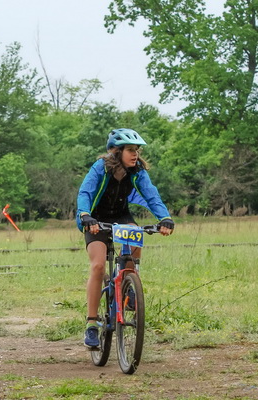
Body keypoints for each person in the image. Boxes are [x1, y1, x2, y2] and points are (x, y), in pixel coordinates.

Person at [76, 128, 175, 348]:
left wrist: (165, 218)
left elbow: (152, 195)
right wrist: (85, 216)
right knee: (98, 266)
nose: (135, 154)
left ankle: (128, 284)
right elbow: (85, 193)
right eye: (130, 150)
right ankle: (92, 323)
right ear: (116, 151)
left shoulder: (137, 171)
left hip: (120, 217)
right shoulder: (100, 167)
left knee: (136, 234)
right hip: (95, 219)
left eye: (137, 150)